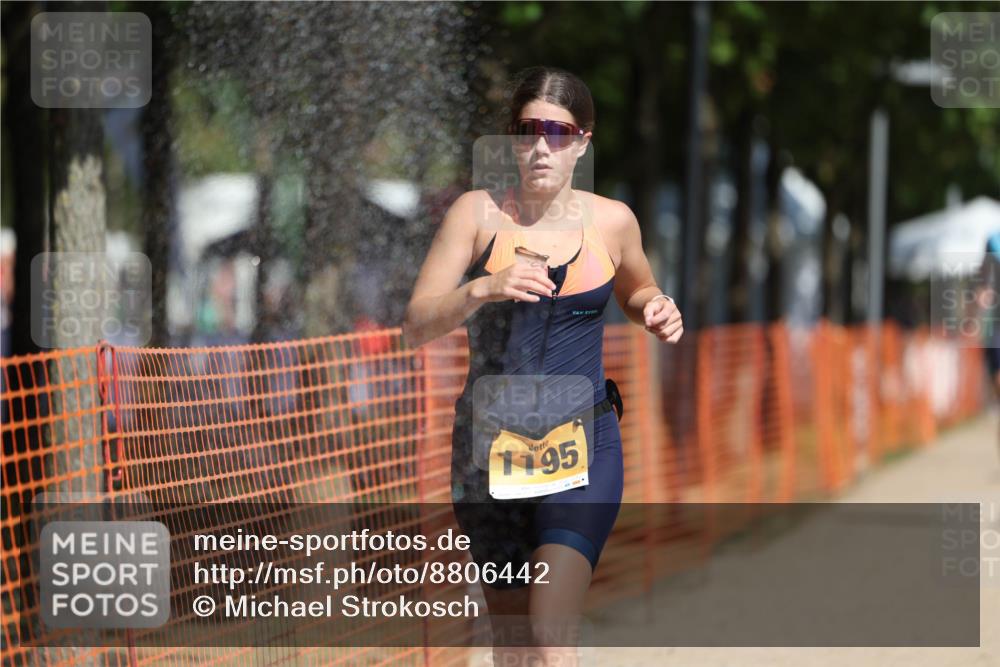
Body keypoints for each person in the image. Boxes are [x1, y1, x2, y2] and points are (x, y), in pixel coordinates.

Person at [403, 66, 683, 666]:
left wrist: (655, 308)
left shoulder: (613, 221)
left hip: (583, 445)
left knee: (551, 630)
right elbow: (416, 324)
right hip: (488, 453)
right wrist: (484, 288)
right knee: (513, 648)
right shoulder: (475, 216)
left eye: (557, 133)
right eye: (527, 131)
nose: (539, 147)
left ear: (582, 141)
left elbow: (639, 291)